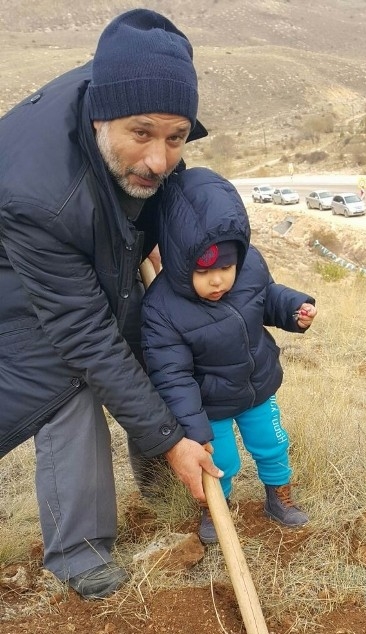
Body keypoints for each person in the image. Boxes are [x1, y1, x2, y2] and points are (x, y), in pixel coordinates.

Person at [0, 8, 223, 600]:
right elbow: (85, 334)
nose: (159, 159)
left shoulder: (136, 91)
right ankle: (81, 553)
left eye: (176, 138)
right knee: (66, 381)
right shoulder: (38, 195)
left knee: (149, 333)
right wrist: (170, 438)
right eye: (142, 135)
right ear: (102, 118)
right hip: (12, 274)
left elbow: (152, 187)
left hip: (77, 244)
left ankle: (166, 484)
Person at [141, 167, 317, 545]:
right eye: (205, 271)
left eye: (226, 268)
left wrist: (293, 310)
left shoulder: (249, 267)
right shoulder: (161, 308)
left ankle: (279, 498)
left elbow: (266, 298)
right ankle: (215, 508)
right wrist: (194, 428)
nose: (218, 280)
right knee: (218, 460)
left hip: (257, 387)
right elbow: (172, 376)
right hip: (209, 405)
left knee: (272, 443)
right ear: (179, 262)